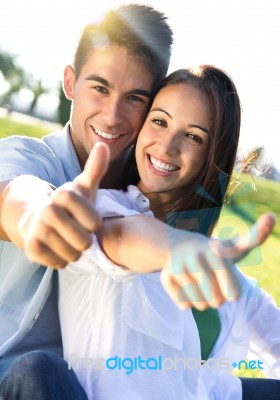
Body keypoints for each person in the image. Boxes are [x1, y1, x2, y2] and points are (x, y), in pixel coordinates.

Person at [58, 66, 279, 400]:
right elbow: (121, 238)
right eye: (159, 121)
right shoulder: (106, 211)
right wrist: (176, 249)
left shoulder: (223, 271)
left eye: (193, 136)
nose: (167, 145)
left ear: (212, 155)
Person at [0, 3, 173, 399]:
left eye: (134, 98)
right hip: (17, 375)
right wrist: (37, 220)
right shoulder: (29, 158)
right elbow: (14, 194)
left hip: (110, 382)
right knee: (41, 370)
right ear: (69, 82)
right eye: (99, 88)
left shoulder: (149, 191)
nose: (112, 116)